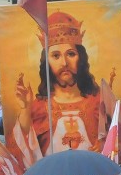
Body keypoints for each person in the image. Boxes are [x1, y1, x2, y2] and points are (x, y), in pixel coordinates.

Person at [12, 11, 105, 164]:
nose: (64, 63)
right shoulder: (38, 107)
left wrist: (104, 145)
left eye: (70, 54)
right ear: (46, 62)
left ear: (80, 58)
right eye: (56, 56)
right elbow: (20, 149)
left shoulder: (99, 101)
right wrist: (25, 109)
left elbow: (119, 139)